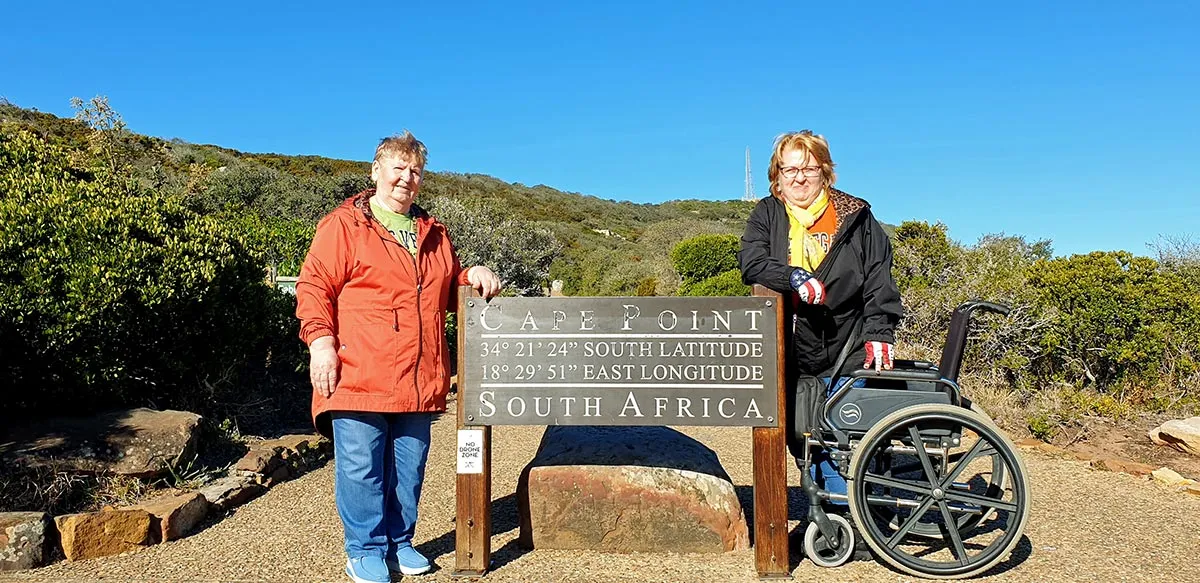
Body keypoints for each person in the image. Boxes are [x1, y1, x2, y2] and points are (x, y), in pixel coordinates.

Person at [296, 132, 501, 583]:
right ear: (376, 171)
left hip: (419, 377)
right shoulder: (345, 225)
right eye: (399, 168)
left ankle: (398, 542)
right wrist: (320, 342)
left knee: (409, 468)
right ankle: (364, 549)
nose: (407, 178)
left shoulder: (434, 233)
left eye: (416, 171)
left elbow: (446, 286)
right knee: (362, 468)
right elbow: (313, 286)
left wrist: (471, 273)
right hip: (358, 373)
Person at [738, 130, 902, 504]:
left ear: (824, 171)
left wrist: (879, 331)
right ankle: (826, 513)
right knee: (802, 439)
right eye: (790, 169)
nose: (799, 178)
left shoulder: (855, 216)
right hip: (790, 350)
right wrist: (792, 276)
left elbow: (879, 277)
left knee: (841, 439)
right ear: (777, 175)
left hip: (846, 346)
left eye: (809, 168)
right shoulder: (767, 213)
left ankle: (848, 516)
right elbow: (752, 261)